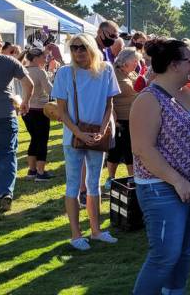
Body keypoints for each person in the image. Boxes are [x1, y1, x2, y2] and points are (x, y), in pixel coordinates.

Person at [130, 38, 190, 294]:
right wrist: (177, 180)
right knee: (165, 256)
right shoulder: (148, 99)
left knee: (185, 249)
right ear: (173, 65)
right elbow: (143, 149)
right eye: (189, 60)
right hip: (162, 187)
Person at [51, 33, 120, 250]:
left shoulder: (106, 69)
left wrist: (102, 130)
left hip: (96, 136)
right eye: (74, 48)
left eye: (82, 47)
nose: (78, 52)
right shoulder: (64, 72)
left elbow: (109, 104)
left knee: (94, 184)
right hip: (73, 137)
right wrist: (79, 134)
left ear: (91, 48)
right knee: (73, 186)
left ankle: (96, 230)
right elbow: (61, 111)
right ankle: (75, 234)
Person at [0, 30, 33, 212]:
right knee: (7, 154)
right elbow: (29, 84)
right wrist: (25, 102)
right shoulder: (9, 61)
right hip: (5, 114)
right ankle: (5, 193)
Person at [105, 48, 143, 190]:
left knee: (130, 149)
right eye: (135, 61)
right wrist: (112, 117)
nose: (137, 63)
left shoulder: (132, 73)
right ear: (126, 61)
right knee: (117, 149)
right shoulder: (113, 74)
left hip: (133, 118)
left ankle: (132, 178)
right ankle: (111, 177)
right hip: (119, 118)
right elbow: (108, 97)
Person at [22, 47, 54, 182]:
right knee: (41, 141)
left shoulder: (23, 70)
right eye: (43, 57)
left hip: (26, 110)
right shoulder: (40, 72)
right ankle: (40, 172)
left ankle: (32, 170)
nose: (45, 59)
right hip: (40, 110)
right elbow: (50, 90)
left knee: (34, 139)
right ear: (35, 58)